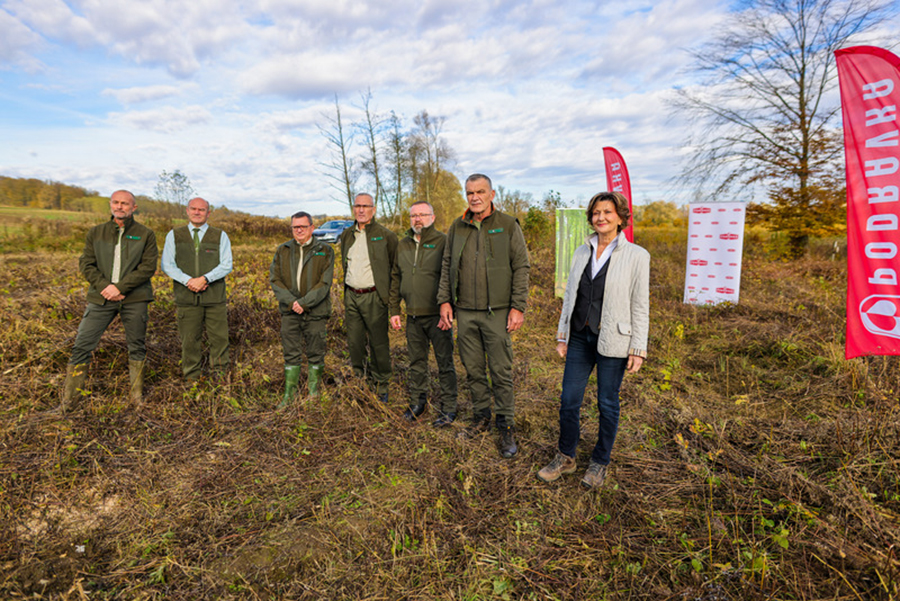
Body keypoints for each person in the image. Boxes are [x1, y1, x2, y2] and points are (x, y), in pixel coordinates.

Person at [537, 191, 649, 489]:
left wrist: (638, 347)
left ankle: (600, 462)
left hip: (614, 340)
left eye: (607, 212)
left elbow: (640, 304)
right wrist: (562, 335)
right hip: (579, 337)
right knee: (569, 400)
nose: (601, 217)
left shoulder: (637, 256)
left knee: (607, 403)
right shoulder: (580, 251)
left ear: (620, 217)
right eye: (596, 213)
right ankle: (566, 456)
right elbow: (571, 296)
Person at [437, 174, 530, 458]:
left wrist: (518, 306)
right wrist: (444, 301)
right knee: (474, 369)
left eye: (480, 192)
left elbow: (522, 266)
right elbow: (447, 264)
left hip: (497, 313)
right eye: (469, 193)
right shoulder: (458, 226)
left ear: (491, 194)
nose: (474, 197)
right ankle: (481, 417)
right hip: (465, 312)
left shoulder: (507, 225)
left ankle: (505, 424)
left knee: (500, 371)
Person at [60, 190, 158, 411]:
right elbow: (86, 263)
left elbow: (148, 267)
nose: (119, 206)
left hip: (135, 298)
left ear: (134, 207)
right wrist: (106, 287)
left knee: (137, 347)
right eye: (116, 202)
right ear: (110, 205)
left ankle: (136, 399)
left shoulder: (145, 234)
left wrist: (120, 288)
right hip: (101, 298)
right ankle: (70, 402)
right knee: (81, 345)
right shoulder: (96, 233)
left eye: (125, 203)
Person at [389, 201, 458, 425]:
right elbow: (395, 278)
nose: (417, 219)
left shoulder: (443, 242)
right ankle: (418, 403)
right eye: (413, 216)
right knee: (416, 362)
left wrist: (448, 309)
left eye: (422, 215)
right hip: (413, 316)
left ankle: (449, 407)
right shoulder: (403, 244)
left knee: (444, 362)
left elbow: (451, 278)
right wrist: (394, 309)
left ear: (432, 216)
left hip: (438, 316)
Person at [161, 197, 233, 381]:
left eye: (202, 209)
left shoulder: (220, 235)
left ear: (208, 213)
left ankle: (219, 380)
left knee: (219, 340)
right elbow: (168, 265)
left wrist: (205, 279)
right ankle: (191, 380)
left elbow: (226, 265)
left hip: (214, 298)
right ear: (187, 211)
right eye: (193, 208)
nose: (197, 212)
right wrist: (188, 281)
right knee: (190, 341)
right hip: (187, 298)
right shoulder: (174, 235)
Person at [270, 211, 335, 406]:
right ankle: (289, 395)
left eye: (303, 226)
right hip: (290, 311)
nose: (298, 230)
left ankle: (313, 392)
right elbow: (275, 279)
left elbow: (325, 282)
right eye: (295, 227)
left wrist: (305, 303)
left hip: (316, 311)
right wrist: (292, 303)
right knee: (291, 351)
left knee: (316, 350)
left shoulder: (324, 250)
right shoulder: (283, 250)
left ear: (312, 228)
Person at [339, 193, 398, 403]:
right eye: (357, 206)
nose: (361, 210)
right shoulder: (346, 235)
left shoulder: (386, 236)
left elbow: (394, 270)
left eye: (366, 206)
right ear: (353, 208)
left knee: (378, 342)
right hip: (351, 295)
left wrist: (391, 302)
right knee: (354, 342)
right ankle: (360, 380)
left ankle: (381, 383)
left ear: (373, 209)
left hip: (374, 296)